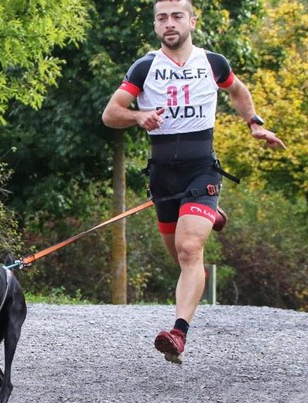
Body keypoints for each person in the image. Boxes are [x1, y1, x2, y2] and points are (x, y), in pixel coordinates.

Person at [101, 0, 286, 364]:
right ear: (155, 25)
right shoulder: (144, 67)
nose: (169, 24)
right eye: (162, 18)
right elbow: (111, 114)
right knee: (184, 261)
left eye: (176, 16)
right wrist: (138, 117)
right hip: (162, 175)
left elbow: (238, 92)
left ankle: (178, 332)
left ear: (192, 21)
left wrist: (255, 124)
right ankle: (209, 214)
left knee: (189, 250)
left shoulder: (213, 62)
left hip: (202, 170)